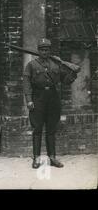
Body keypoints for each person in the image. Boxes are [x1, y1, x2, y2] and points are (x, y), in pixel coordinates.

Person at [23, 38, 77, 169]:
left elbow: (66, 80)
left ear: (49, 50)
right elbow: (27, 84)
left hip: (53, 98)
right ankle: (36, 158)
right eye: (42, 49)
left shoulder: (56, 64)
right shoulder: (31, 65)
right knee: (37, 129)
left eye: (46, 49)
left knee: (51, 129)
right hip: (38, 98)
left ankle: (52, 157)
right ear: (38, 51)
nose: (44, 52)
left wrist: (73, 73)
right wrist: (29, 100)